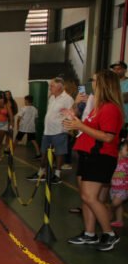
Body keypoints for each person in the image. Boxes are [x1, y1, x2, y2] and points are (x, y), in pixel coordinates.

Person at [64, 70, 124, 252]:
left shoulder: (110, 109)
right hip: (87, 155)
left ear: (105, 84)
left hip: (101, 157)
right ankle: (89, 233)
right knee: (86, 197)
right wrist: (76, 122)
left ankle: (109, 233)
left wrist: (80, 126)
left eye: (95, 80)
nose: (93, 83)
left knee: (90, 196)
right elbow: (90, 129)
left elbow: (107, 137)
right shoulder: (98, 107)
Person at [27, 77, 73, 185]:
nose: (50, 88)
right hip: (47, 131)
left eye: (52, 86)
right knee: (44, 153)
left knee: (59, 153)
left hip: (59, 131)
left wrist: (66, 128)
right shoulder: (52, 97)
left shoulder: (67, 99)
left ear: (59, 87)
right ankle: (41, 173)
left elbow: (70, 116)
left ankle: (57, 175)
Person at [110, 140, 128, 228]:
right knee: (119, 205)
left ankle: (109, 212)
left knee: (115, 203)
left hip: (124, 188)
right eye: (127, 149)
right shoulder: (114, 161)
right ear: (120, 151)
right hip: (113, 187)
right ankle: (119, 221)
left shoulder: (127, 162)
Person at [0, 91, 16, 156]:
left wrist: (12, 124)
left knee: (0, 141)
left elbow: (11, 115)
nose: (1, 99)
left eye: (2, 97)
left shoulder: (7, 104)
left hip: (3, 124)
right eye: (0, 97)